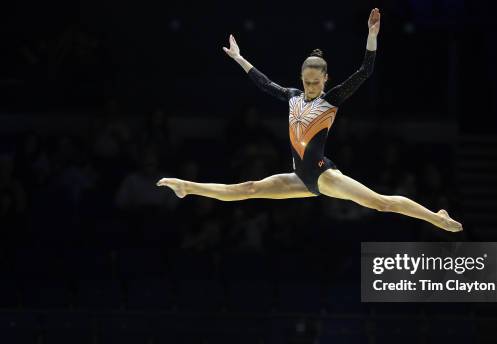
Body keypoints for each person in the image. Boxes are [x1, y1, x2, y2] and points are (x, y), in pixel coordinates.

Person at [157, 8, 462, 232]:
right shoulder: (292, 96)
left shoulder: (332, 100)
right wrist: (238, 57)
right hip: (299, 178)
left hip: (324, 175)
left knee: (380, 203)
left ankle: (437, 216)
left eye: (315, 82)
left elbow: (365, 72)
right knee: (247, 188)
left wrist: (371, 36)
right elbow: (263, 83)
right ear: (301, 77)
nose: (310, 86)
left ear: (325, 79)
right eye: (306, 81)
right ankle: (186, 187)